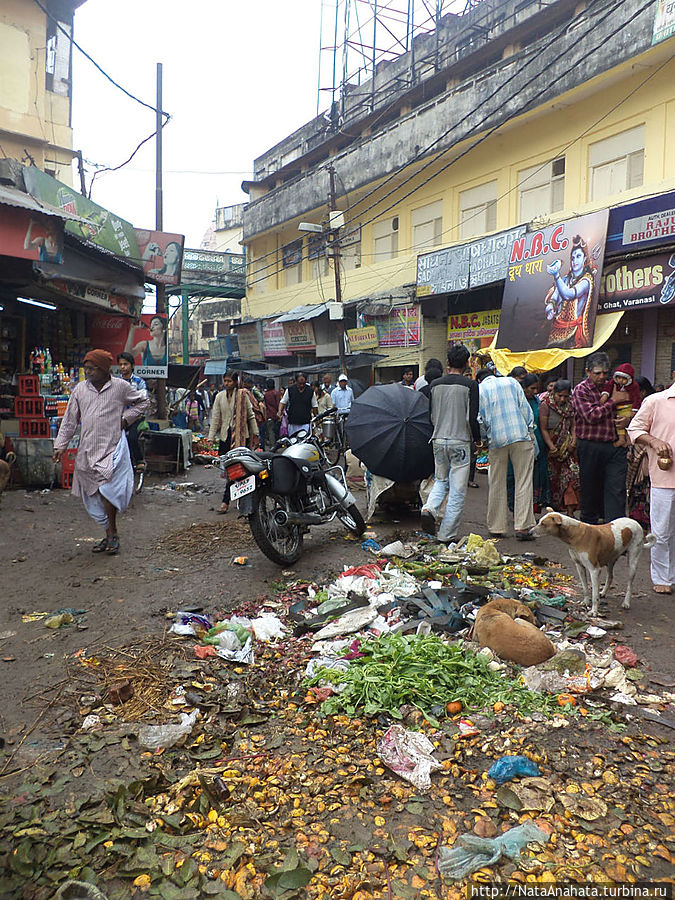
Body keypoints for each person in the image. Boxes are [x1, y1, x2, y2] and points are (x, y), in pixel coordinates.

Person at [52, 349, 149, 555]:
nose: (88, 372)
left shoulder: (121, 387)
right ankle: (108, 533)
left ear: (104, 369)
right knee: (94, 492)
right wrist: (60, 446)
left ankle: (113, 534)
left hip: (112, 447)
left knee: (107, 489)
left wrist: (126, 419)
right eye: (86, 368)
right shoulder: (80, 390)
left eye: (92, 368)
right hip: (87, 448)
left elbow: (143, 401)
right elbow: (70, 421)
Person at [420, 344, 481, 543]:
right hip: (460, 441)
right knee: (457, 490)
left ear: (447, 363)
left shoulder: (434, 385)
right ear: (467, 364)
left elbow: (431, 416)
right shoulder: (470, 385)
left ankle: (429, 508)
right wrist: (478, 439)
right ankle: (446, 535)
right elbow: (472, 418)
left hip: (438, 440)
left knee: (440, 481)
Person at [478, 366, 536, 540]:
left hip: (496, 440)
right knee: (524, 481)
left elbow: (480, 419)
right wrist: (529, 430)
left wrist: (484, 439)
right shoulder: (512, 382)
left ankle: (496, 527)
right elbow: (525, 409)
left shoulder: (480, 390)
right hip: (520, 435)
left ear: (480, 380)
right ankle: (523, 527)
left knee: (496, 481)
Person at [628, 381, 675, 594]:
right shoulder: (656, 401)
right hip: (664, 476)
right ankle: (662, 577)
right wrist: (654, 442)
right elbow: (635, 429)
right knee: (662, 530)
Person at [571, 352, 629, 524]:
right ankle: (589, 527)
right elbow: (590, 416)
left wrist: (627, 418)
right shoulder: (581, 390)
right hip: (590, 445)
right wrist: (613, 401)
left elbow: (628, 406)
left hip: (615, 445)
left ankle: (616, 528)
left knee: (616, 488)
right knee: (590, 488)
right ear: (588, 372)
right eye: (597, 373)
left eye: (605, 373)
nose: (602, 377)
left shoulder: (614, 386)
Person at [208, 371, 259, 514]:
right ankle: (233, 500)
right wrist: (211, 438)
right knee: (230, 471)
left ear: (236, 382)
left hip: (242, 437)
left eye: (229, 381)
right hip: (226, 437)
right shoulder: (219, 397)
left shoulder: (243, 396)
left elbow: (250, 415)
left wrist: (256, 434)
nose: (227, 384)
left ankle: (227, 502)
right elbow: (216, 418)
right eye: (225, 381)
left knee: (241, 470)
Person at [545, 234, 597, 348]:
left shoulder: (586, 280)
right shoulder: (566, 279)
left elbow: (569, 294)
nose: (575, 261)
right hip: (558, 326)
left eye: (578, 256)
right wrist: (550, 307)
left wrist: (556, 276)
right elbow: (555, 297)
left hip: (574, 331)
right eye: (572, 258)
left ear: (584, 258)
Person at [539, 378, 580, 516]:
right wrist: (552, 447)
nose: (562, 399)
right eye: (559, 395)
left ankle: (570, 512)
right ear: (554, 393)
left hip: (567, 448)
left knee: (572, 477)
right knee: (554, 481)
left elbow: (573, 425)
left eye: (565, 396)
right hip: (551, 449)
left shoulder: (571, 405)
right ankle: (556, 511)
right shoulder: (545, 405)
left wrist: (573, 441)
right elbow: (543, 429)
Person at [626, 376, 655, 529]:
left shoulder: (652, 403)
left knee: (647, 490)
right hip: (638, 452)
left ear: (642, 391)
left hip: (649, 455)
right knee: (639, 492)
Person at [116, 351, 148, 468]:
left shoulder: (139, 382)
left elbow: (144, 400)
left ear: (132, 365)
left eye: (125, 364)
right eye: (121, 364)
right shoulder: (115, 383)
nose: (123, 367)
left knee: (132, 438)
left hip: (135, 418)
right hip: (118, 418)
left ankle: (139, 460)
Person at [599, 363, 641, 447]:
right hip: (617, 408)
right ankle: (624, 438)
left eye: (624, 378)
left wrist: (634, 410)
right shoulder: (613, 383)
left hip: (627, 407)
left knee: (623, 422)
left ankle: (624, 439)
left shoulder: (634, 386)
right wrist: (605, 395)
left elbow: (637, 398)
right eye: (619, 378)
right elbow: (608, 388)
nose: (621, 381)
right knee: (619, 422)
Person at [278, 372, 318, 437]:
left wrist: (316, 419)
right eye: (300, 384)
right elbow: (282, 402)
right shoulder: (290, 390)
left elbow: (314, 406)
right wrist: (279, 411)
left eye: (303, 383)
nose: (302, 385)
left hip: (305, 423)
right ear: (296, 382)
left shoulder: (310, 391)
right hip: (292, 423)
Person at [264, 378, 282, 448]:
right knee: (276, 431)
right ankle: (276, 446)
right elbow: (278, 404)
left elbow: (266, 405)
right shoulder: (276, 393)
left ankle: (272, 446)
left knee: (271, 431)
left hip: (269, 415)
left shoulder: (266, 394)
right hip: (276, 415)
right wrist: (280, 414)